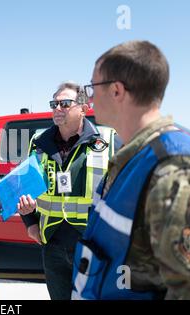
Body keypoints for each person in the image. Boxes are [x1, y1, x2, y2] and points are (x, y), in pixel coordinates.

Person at [71, 40, 190, 300]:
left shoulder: (174, 169)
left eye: (92, 88)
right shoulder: (132, 155)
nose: (90, 98)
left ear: (117, 91)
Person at [17, 81, 119, 300]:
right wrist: (30, 224)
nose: (57, 109)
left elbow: (127, 193)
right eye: (54, 104)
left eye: (65, 103)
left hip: (94, 247)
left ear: (83, 108)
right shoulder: (38, 142)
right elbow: (24, 188)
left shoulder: (109, 140)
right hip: (52, 245)